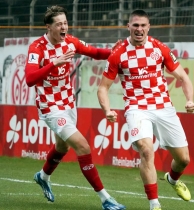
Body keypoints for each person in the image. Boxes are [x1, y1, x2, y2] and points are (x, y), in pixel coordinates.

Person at [24, 5, 125, 210]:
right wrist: (54, 63)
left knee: (62, 147)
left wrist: (113, 52)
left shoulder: (69, 42)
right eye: (59, 24)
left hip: (68, 103)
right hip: (50, 107)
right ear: (48, 27)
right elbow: (29, 79)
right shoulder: (37, 48)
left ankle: (42, 176)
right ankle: (106, 199)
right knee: (83, 146)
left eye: (65, 23)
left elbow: (94, 52)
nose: (64, 27)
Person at [97, 9, 194, 210]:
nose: (139, 29)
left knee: (183, 159)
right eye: (135, 25)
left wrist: (190, 100)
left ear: (148, 27)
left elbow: (183, 77)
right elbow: (103, 87)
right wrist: (107, 110)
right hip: (136, 108)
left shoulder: (159, 49)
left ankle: (173, 179)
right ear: (129, 27)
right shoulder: (118, 53)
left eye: (143, 25)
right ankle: (154, 204)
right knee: (146, 148)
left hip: (163, 107)